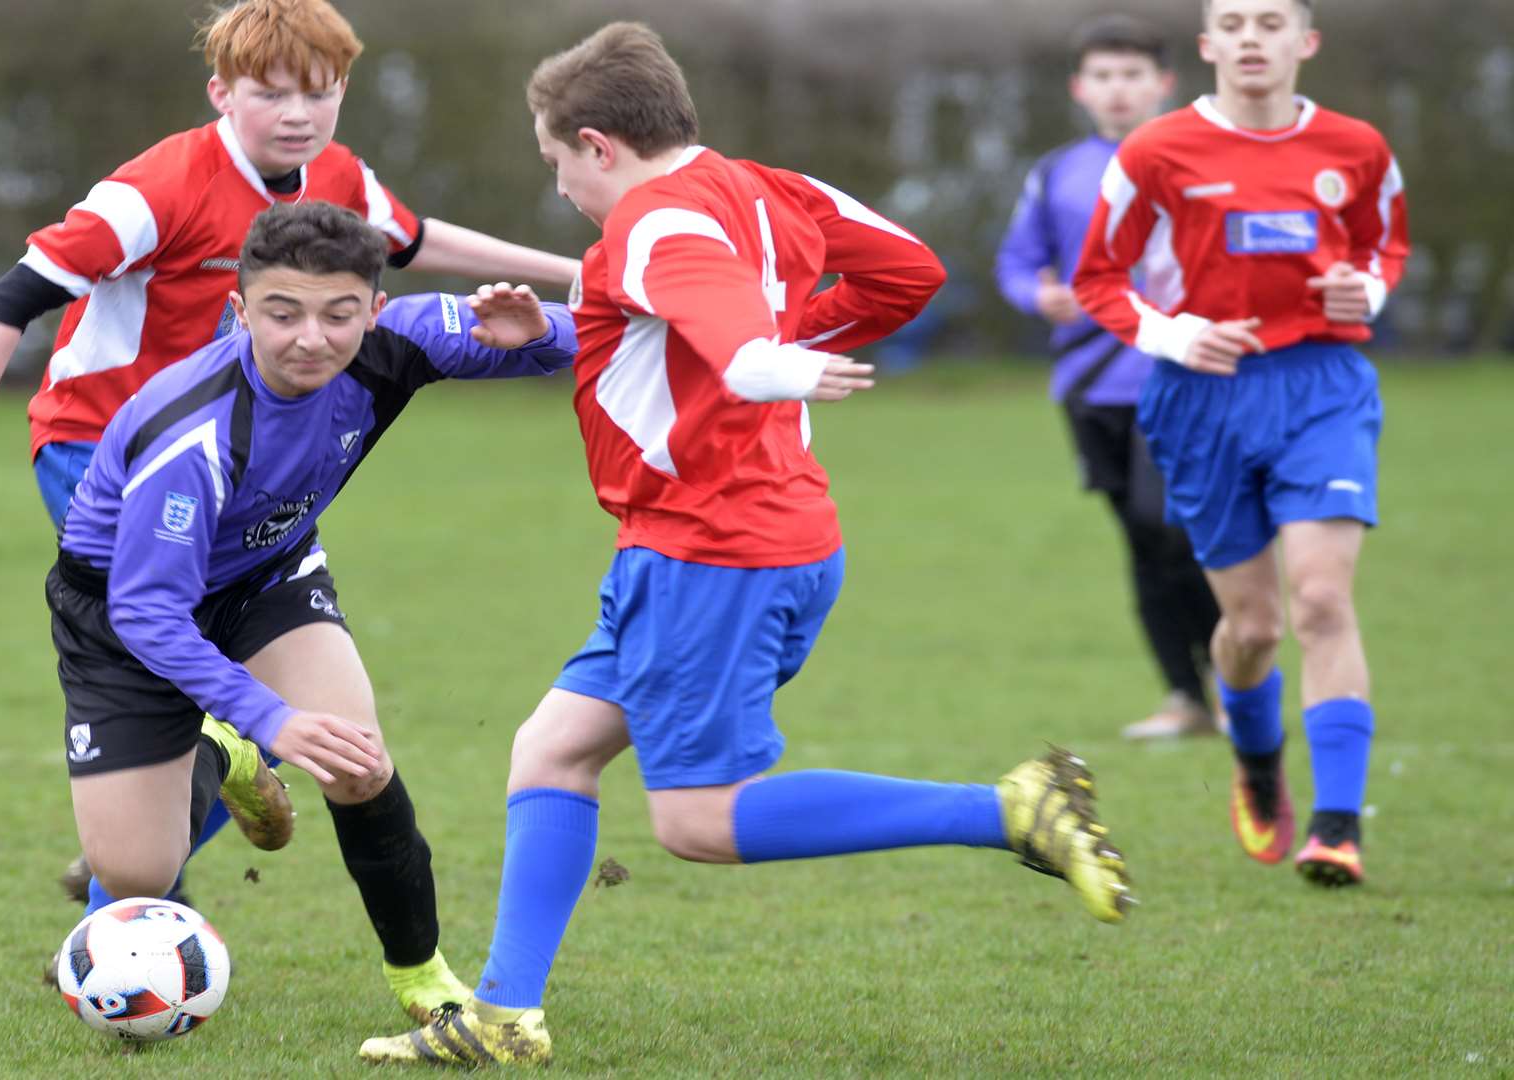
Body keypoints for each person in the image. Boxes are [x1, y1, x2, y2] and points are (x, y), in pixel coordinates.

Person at [359, 23, 1134, 1068]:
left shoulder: (648, 219)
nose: (562, 193)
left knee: (696, 821)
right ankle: (504, 1017)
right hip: (747, 537)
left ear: (597, 144)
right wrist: (749, 342)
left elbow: (713, 313)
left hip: (709, 558)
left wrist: (768, 359)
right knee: (553, 749)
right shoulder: (769, 188)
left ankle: (1008, 809)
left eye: (556, 166)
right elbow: (910, 271)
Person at [0, 0, 580, 1010]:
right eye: (270, 91)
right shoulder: (156, 190)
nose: (297, 112)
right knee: (158, 679)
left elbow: (425, 254)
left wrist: (578, 286)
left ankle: (405, 965)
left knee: (344, 742)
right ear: (222, 94)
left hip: (264, 497)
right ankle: (161, 853)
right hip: (108, 449)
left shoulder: (338, 194)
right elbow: (7, 300)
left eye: (318, 91)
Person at [48, 201, 577, 1024]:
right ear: (240, 310)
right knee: (138, 871)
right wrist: (270, 719)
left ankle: (422, 974)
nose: (311, 338)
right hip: (124, 611)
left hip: (269, 574)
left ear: (373, 309)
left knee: (357, 760)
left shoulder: (399, 337)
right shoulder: (195, 434)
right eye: (282, 313)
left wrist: (538, 336)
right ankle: (222, 754)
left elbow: (599, 333)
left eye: (338, 315)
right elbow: (149, 614)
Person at [1072, 0, 1408, 887]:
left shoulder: (1358, 147)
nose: (1252, 37)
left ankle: (1337, 828)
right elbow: (1098, 279)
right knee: (1252, 626)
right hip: (1203, 398)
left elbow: (1384, 248)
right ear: (1209, 46)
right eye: (1235, 22)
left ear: (1305, 42)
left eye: (1271, 21)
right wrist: (1176, 337)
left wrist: (1362, 295)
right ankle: (1257, 760)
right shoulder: (1154, 151)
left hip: (1321, 386)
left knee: (1323, 600)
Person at [995, 15, 1224, 741]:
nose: (1117, 90)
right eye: (1103, 76)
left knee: (1170, 526)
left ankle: (1236, 670)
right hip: (1089, 386)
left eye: (1132, 75)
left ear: (1163, 83)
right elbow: (1014, 264)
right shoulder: (1054, 172)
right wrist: (1039, 295)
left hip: (1179, 378)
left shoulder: (1203, 159)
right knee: (1141, 540)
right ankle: (1186, 697)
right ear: (1079, 87)